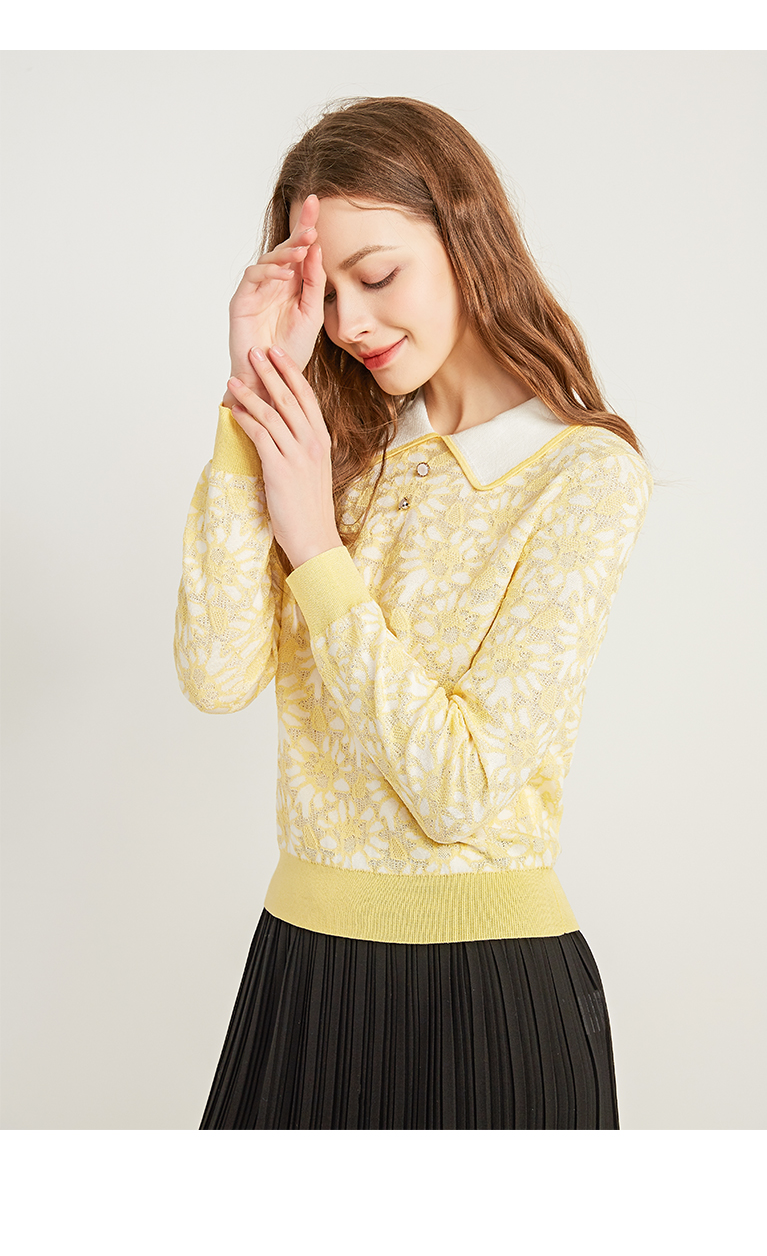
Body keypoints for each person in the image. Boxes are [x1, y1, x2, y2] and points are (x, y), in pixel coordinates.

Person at [174, 95, 653, 1130]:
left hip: (490, 995)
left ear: (466, 237)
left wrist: (315, 548)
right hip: (301, 971)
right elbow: (214, 672)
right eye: (327, 292)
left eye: (378, 275)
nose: (349, 323)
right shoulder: (334, 451)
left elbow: (459, 786)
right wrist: (254, 395)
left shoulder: (581, 473)